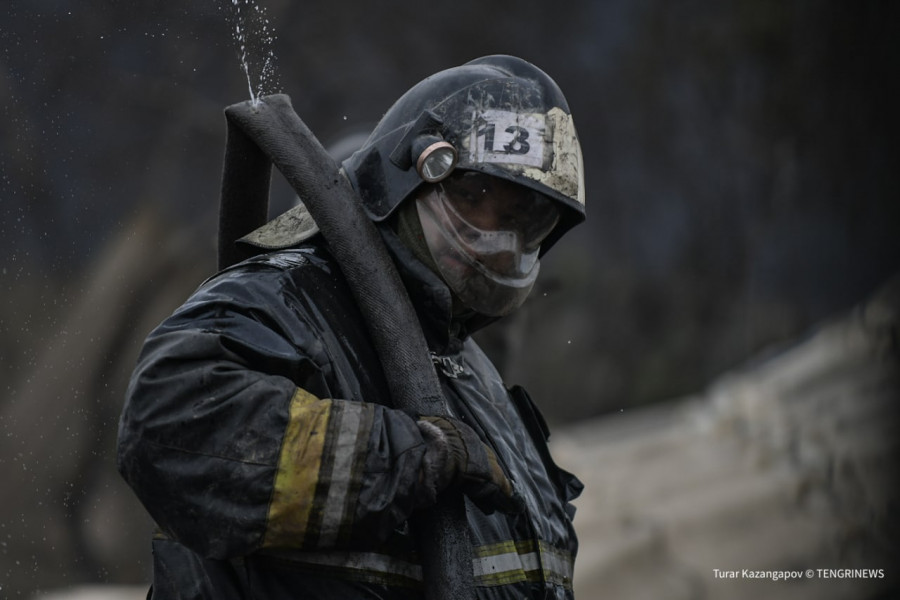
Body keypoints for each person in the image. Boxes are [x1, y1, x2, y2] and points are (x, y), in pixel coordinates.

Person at [117, 54, 586, 599]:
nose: (498, 239)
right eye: (477, 199)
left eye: (521, 220)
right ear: (412, 176)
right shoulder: (290, 297)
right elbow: (168, 419)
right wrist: (409, 455)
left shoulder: (470, 372)